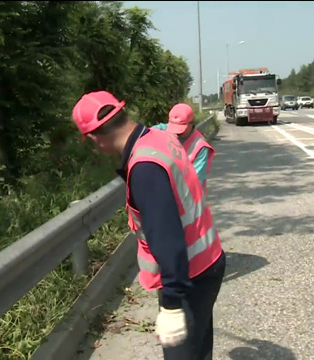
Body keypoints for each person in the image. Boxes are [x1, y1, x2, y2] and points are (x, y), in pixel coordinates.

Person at [72, 91, 226, 360]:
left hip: (190, 276)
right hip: (206, 261)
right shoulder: (159, 137)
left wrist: (171, 304)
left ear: (95, 137)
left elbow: (168, 238)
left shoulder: (144, 167)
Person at [152, 103, 215, 192]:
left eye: (181, 128)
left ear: (191, 123)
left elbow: (195, 183)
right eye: (173, 127)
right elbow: (148, 133)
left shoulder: (200, 147)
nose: (176, 133)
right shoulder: (162, 130)